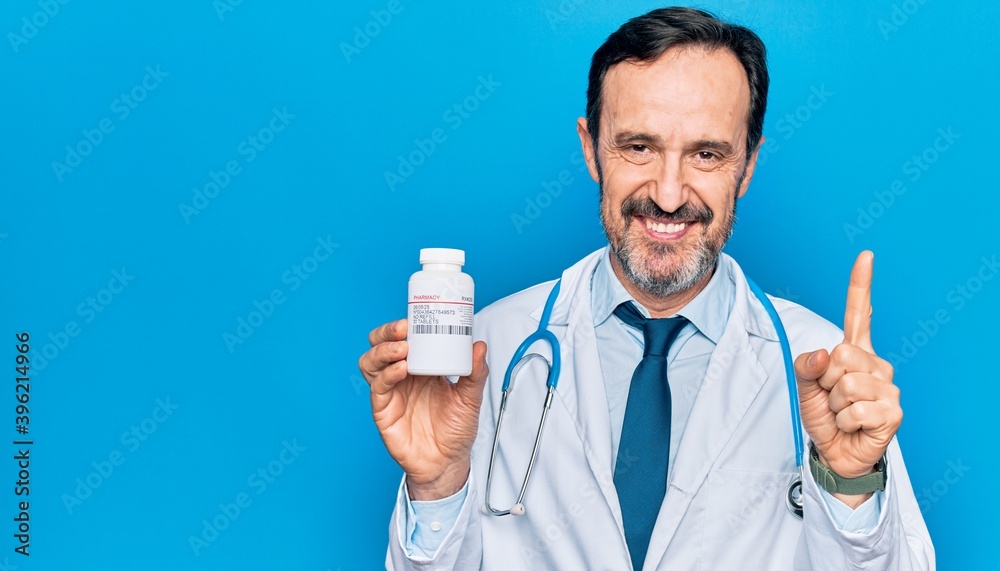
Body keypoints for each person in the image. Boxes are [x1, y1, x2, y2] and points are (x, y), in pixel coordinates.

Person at [358, 7, 934, 570]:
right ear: (591, 149)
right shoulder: (487, 350)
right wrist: (434, 487)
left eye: (706, 154)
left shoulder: (827, 366)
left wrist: (850, 484)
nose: (667, 192)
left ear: (748, 165)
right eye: (639, 147)